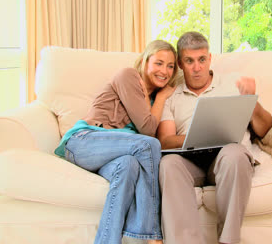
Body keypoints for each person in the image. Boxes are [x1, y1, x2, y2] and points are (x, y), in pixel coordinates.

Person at [54, 40, 179, 244]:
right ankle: (154, 238)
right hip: (84, 141)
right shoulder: (128, 76)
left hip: (113, 156)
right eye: (159, 63)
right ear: (146, 61)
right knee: (149, 145)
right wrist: (163, 98)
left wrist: (159, 99)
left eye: (170, 66)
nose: (164, 71)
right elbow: (148, 133)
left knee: (129, 165)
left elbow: (148, 135)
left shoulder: (154, 100)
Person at [157, 31, 272, 244]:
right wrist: (198, 136)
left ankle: (228, 241)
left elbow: (266, 128)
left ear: (210, 58)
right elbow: (165, 140)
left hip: (226, 159)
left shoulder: (232, 84)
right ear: (181, 64)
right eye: (189, 61)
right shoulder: (170, 95)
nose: (197, 67)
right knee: (168, 163)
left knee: (235, 153)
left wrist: (251, 101)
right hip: (189, 162)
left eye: (202, 59)